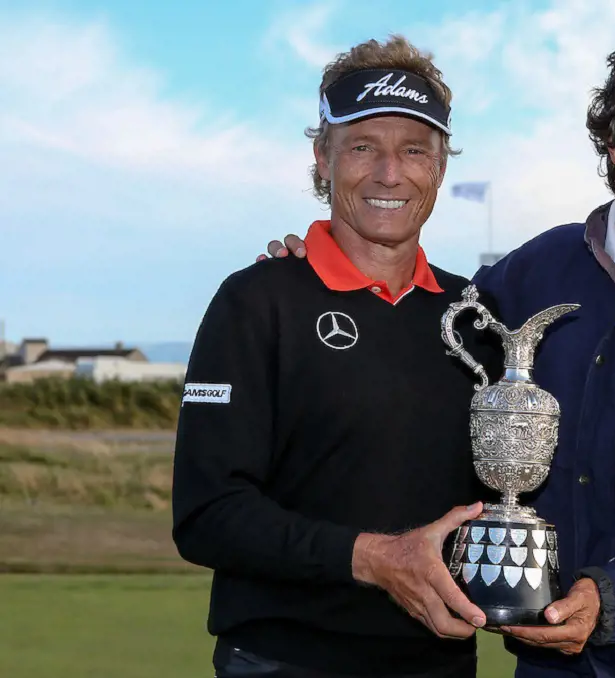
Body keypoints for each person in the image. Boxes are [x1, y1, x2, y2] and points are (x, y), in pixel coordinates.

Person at [263, 14, 615, 678]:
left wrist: (609, 601)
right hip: (550, 659)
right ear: (614, 144)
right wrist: (319, 275)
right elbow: (420, 338)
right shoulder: (534, 272)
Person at [172, 35, 502, 678]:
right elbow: (208, 515)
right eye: (362, 147)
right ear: (322, 159)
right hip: (284, 661)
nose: (389, 173)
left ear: (439, 167)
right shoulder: (257, 300)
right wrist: (374, 558)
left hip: (439, 664)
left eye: (414, 150)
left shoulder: (476, 317)